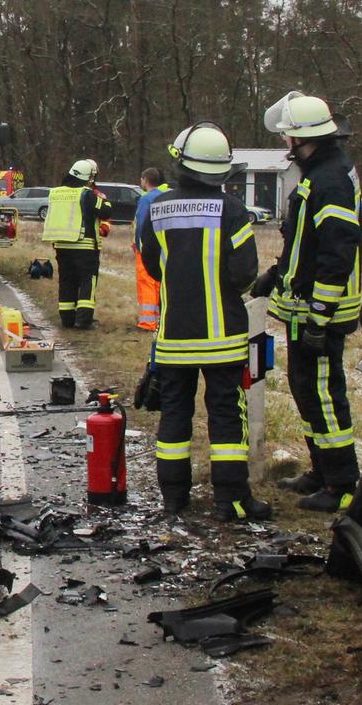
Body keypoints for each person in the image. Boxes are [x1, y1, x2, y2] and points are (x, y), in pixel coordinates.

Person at [140, 123, 270, 522]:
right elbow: (245, 271)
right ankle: (231, 502)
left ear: (181, 162)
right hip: (224, 339)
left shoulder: (158, 208)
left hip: (175, 338)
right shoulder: (232, 210)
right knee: (227, 416)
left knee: (175, 414)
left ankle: (174, 500)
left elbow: (151, 266)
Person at [254, 91, 362, 513]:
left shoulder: (331, 179)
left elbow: (337, 253)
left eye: (287, 139)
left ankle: (342, 483)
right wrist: (277, 275)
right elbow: (304, 243)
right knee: (305, 389)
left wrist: (320, 313)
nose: (285, 146)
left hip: (322, 312)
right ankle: (321, 471)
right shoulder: (321, 172)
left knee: (323, 392)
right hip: (305, 307)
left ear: (302, 139)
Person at [41, 159, 112, 329]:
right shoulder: (86, 194)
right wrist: (104, 199)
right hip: (84, 247)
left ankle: (67, 319)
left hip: (62, 247)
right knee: (87, 281)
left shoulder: (55, 193)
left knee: (66, 282)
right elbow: (106, 210)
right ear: (88, 177)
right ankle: (84, 320)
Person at [132, 167, 169, 330]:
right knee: (160, 283)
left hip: (147, 248)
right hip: (165, 248)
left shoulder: (146, 199)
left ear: (145, 180)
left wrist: (138, 244)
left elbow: (142, 224)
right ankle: (161, 318)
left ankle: (148, 322)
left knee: (146, 282)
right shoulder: (166, 196)